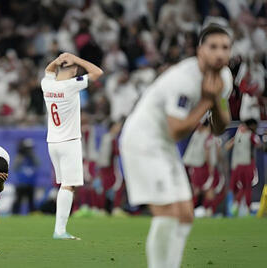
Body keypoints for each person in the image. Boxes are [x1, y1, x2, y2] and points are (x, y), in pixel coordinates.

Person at [120, 24, 233, 268]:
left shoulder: (224, 77)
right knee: (169, 212)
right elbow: (177, 130)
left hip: (164, 144)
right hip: (143, 140)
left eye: (225, 47)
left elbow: (220, 126)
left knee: (185, 215)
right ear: (200, 51)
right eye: (213, 47)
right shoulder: (183, 78)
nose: (220, 53)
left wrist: (214, 100)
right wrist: (206, 100)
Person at [41, 52, 103, 240]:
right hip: (70, 142)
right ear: (74, 70)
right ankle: (60, 231)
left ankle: (60, 230)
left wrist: (58, 60)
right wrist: (75, 58)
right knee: (69, 186)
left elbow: (48, 70)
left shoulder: (47, 85)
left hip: (53, 142)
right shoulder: (71, 86)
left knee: (64, 185)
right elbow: (98, 72)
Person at [225, 118, 261, 216]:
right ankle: (244, 208)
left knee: (238, 187)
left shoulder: (238, 134)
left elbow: (227, 146)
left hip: (236, 165)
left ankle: (234, 206)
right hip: (247, 164)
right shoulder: (251, 135)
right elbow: (258, 144)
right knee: (247, 187)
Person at [12, 138, 40, 214]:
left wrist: (32, 155)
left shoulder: (33, 157)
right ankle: (15, 215)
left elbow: (37, 164)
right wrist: (21, 156)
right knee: (18, 200)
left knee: (31, 201)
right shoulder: (20, 157)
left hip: (31, 182)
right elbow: (15, 167)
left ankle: (32, 215)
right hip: (21, 183)